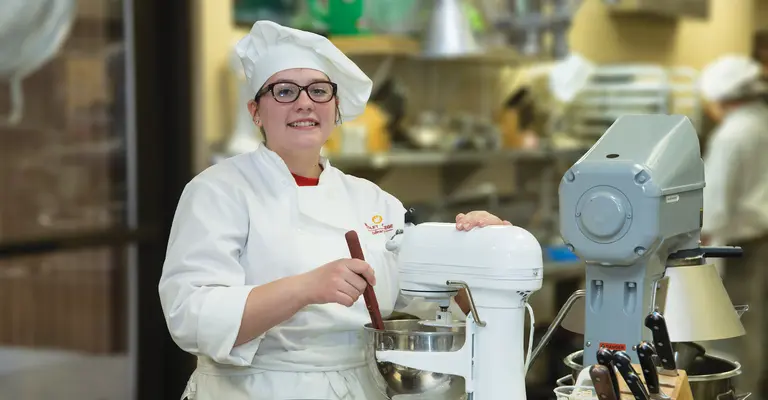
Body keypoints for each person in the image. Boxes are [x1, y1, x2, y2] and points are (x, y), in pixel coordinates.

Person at [158, 20, 513, 400]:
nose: (305, 102)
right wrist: (305, 288)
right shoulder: (217, 191)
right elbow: (190, 316)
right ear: (255, 111)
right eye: (284, 91)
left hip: (358, 387)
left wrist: (483, 254)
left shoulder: (372, 200)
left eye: (319, 90)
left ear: (336, 108)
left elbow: (442, 300)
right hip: (253, 388)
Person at [699, 54, 768, 399]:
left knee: (734, 327)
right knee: (757, 323)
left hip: (741, 246)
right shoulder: (762, 122)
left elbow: (713, 208)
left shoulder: (732, 135)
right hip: (761, 238)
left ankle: (739, 393)